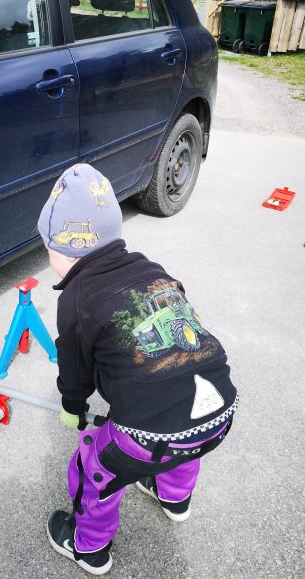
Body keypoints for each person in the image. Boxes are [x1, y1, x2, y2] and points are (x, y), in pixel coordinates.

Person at [38, 163, 238, 576]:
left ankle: (88, 547)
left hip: (152, 435)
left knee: (92, 468)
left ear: (66, 249)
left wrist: (73, 405)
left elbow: (75, 368)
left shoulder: (76, 298)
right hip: (219, 410)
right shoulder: (151, 270)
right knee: (179, 422)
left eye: (48, 248)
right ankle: (175, 500)